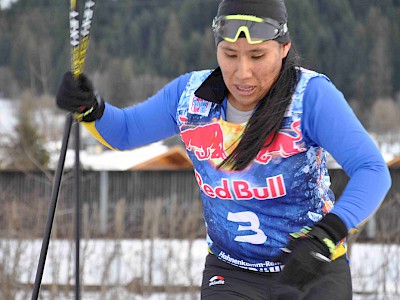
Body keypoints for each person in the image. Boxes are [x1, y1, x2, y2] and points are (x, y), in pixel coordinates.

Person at [56, 0, 392, 299]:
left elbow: (372, 170)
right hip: (231, 273)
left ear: (284, 48)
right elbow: (125, 132)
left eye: (258, 56)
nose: (242, 72)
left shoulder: (311, 97)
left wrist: (327, 233)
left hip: (312, 270)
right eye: (229, 55)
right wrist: (91, 108)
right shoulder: (190, 98)